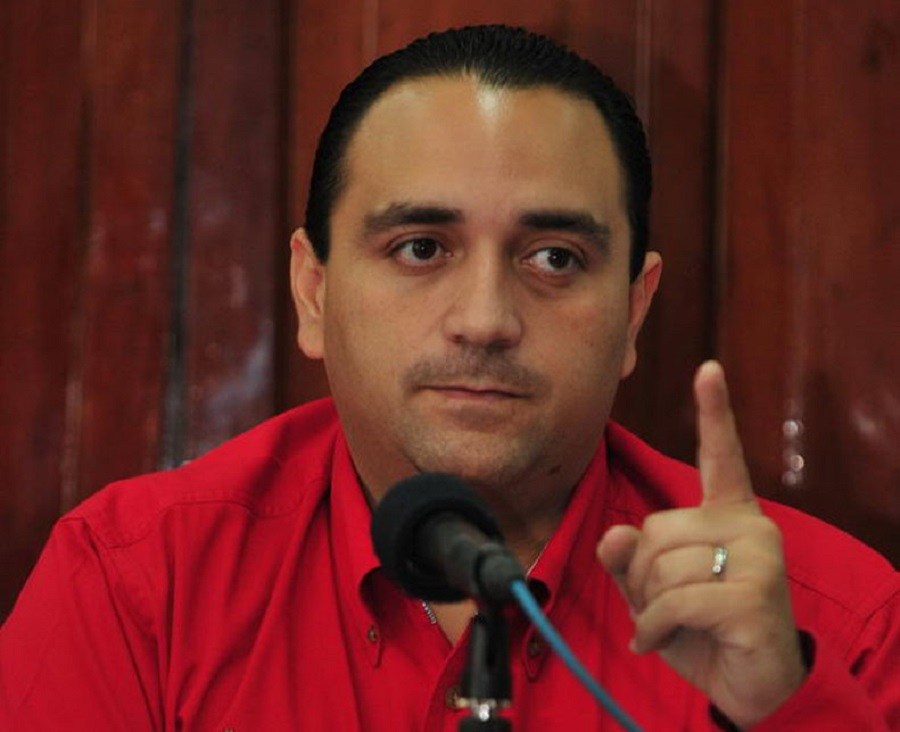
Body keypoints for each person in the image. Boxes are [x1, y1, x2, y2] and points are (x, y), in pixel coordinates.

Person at [1, 24, 897, 731]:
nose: (485, 319)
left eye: (554, 257)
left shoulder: (830, 625)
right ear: (313, 293)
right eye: (421, 248)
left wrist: (783, 708)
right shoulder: (137, 587)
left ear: (633, 312)